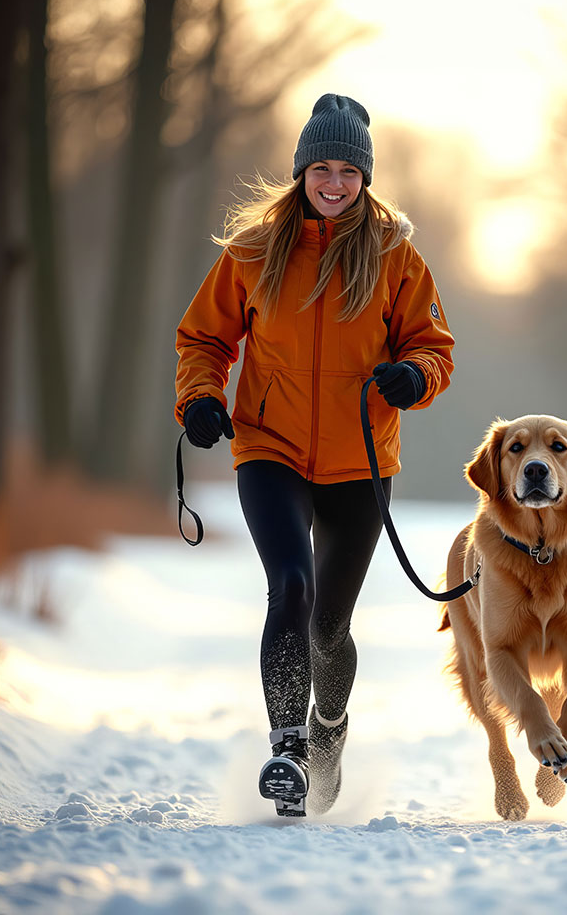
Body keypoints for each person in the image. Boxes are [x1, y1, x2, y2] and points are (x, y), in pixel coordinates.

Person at [173, 93, 456, 817]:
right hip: (268, 450)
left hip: (361, 461)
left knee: (330, 625)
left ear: (365, 178)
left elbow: (433, 348)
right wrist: (201, 398)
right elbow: (204, 339)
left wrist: (413, 376)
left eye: (348, 171)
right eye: (322, 168)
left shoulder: (394, 256)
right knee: (291, 587)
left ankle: (328, 728)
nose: (334, 183)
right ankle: (289, 751)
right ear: (301, 170)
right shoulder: (252, 251)